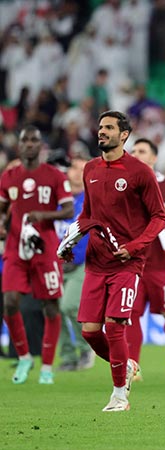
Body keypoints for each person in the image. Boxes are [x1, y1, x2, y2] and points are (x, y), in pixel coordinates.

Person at [62, 110, 165, 411]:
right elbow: (87, 216)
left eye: (109, 127)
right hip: (96, 261)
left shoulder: (139, 172)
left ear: (124, 135)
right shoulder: (91, 169)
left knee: (116, 324)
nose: (102, 132)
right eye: (100, 127)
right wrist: (72, 242)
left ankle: (120, 394)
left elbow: (159, 217)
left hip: (127, 264)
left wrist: (134, 247)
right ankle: (127, 365)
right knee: (90, 332)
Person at [0, 125, 74, 384]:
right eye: (25, 140)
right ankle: (24, 358)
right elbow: (2, 208)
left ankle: (47, 367)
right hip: (15, 249)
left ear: (40, 145)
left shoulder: (54, 175)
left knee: (51, 307)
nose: (30, 144)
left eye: (34, 140)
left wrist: (44, 215)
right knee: (9, 302)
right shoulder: (8, 176)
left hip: (45, 249)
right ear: (19, 146)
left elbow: (68, 209)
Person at [129, 138, 165, 380]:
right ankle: (133, 365)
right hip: (133, 263)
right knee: (131, 315)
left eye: (141, 151)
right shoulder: (124, 184)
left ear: (153, 158)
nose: (135, 154)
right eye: (133, 151)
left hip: (162, 263)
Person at [56, 156, 94, 372]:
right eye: (75, 168)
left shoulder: (90, 199)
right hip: (57, 264)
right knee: (56, 310)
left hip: (81, 263)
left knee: (69, 306)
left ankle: (86, 347)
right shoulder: (58, 199)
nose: (79, 172)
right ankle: (69, 356)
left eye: (83, 169)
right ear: (67, 172)